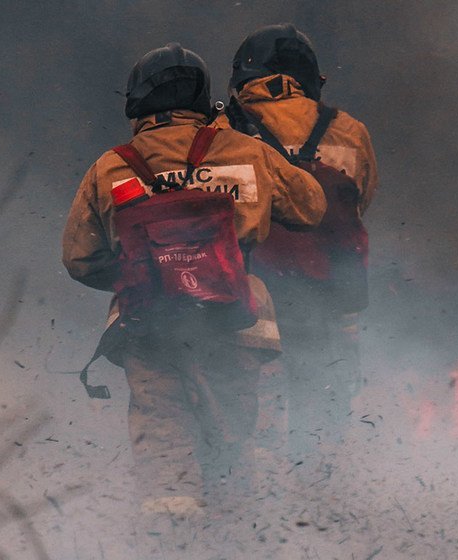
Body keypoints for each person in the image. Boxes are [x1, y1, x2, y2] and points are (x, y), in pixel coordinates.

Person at [61, 42, 325, 518]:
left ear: (136, 102)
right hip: (239, 320)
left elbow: (80, 258)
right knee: (242, 436)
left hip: (149, 324)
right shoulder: (247, 152)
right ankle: (252, 535)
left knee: (163, 433)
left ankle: (173, 536)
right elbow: (311, 207)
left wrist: (146, 271)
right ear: (204, 100)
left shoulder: (110, 167)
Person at [215, 24, 379, 467]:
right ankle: (321, 509)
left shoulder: (219, 131)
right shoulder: (349, 132)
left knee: (252, 413)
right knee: (323, 411)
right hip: (327, 294)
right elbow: (359, 200)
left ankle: (258, 511)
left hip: (247, 297)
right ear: (308, 77)